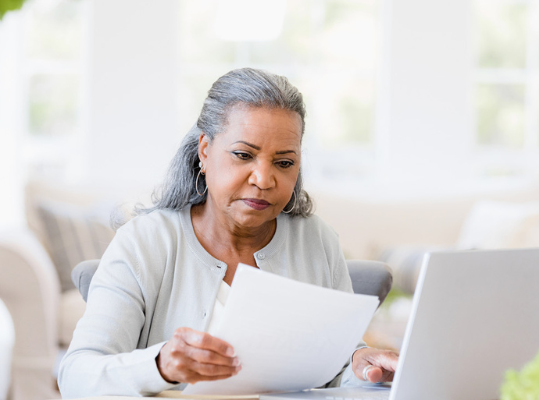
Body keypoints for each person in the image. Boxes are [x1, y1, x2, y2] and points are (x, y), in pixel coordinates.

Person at [57, 68, 398, 398]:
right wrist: (159, 366)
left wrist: (358, 365)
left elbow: (334, 370)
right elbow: (77, 376)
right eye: (243, 155)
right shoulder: (145, 241)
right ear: (205, 150)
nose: (264, 180)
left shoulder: (317, 240)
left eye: (284, 162)